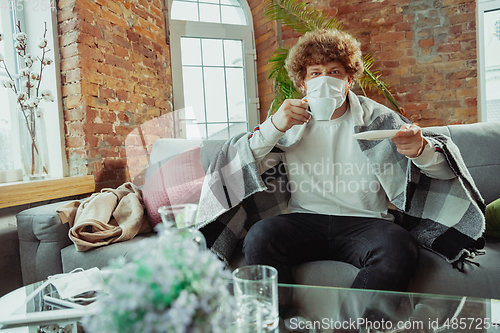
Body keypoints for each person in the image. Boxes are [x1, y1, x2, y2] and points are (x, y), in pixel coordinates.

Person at [242, 28, 457, 293]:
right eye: (315, 73)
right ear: (302, 84)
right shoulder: (287, 120)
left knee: (399, 246)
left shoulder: (379, 118)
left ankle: (354, 325)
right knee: (260, 236)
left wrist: (420, 149)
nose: (325, 80)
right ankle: (282, 321)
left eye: (334, 72)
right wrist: (273, 126)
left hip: (367, 222)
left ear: (349, 79)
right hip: (304, 219)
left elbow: (447, 172)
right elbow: (243, 162)